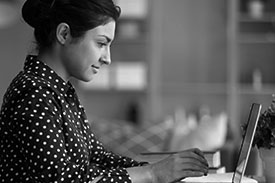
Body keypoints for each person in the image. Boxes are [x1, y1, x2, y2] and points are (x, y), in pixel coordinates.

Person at [0, 0, 209, 182]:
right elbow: (63, 179)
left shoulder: (61, 92)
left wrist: (160, 170)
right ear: (64, 34)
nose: (107, 58)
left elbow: (97, 156)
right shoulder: (34, 94)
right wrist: (152, 174)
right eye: (101, 43)